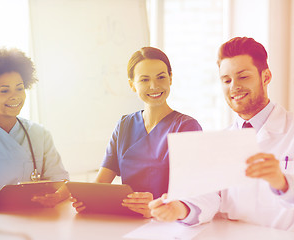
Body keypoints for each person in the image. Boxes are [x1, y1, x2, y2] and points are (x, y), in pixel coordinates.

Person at [148, 37, 294, 238]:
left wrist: (283, 182)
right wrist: (180, 209)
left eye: (243, 77)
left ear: (266, 77)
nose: (234, 87)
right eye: (226, 80)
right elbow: (209, 195)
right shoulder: (222, 140)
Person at [72, 47, 202, 217]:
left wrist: (155, 207)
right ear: (132, 84)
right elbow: (101, 183)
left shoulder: (187, 127)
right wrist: (87, 200)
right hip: (128, 221)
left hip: (170, 224)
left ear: (170, 78)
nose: (154, 86)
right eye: (144, 80)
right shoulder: (124, 125)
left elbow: (194, 194)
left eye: (161, 77)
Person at [0, 48, 70, 211]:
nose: (15, 96)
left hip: (34, 218)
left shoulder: (39, 133)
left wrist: (56, 197)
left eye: (20, 88)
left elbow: (61, 181)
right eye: (4, 90)